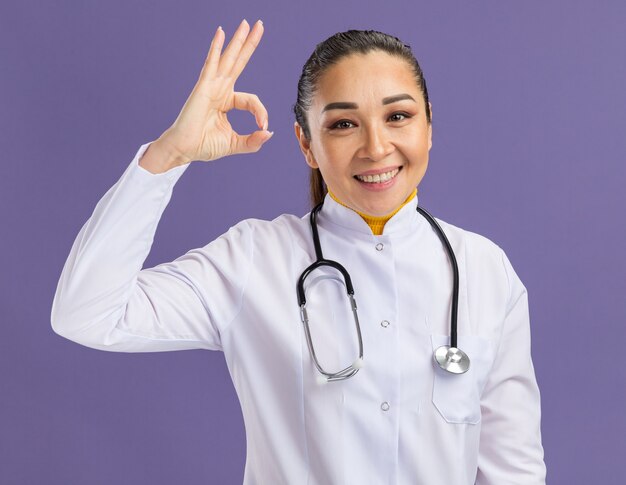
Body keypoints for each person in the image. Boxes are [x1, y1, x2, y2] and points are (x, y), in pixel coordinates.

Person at [51, 18, 547, 484]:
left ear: (429, 126)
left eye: (398, 116)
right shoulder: (252, 260)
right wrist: (170, 154)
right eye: (342, 124)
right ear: (306, 144)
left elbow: (514, 469)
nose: (376, 147)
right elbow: (86, 314)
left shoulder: (484, 269)